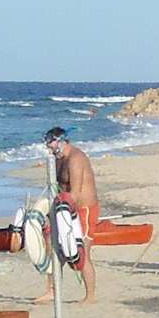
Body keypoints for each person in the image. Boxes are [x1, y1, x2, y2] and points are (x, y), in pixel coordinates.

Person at [38, 126, 97, 304]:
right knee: (53, 248)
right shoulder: (57, 160)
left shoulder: (76, 159)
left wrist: (64, 214)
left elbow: (75, 193)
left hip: (84, 209)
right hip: (64, 208)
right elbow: (56, 187)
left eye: (50, 144)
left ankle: (90, 296)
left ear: (60, 141)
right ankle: (52, 291)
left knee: (82, 252)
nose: (48, 148)